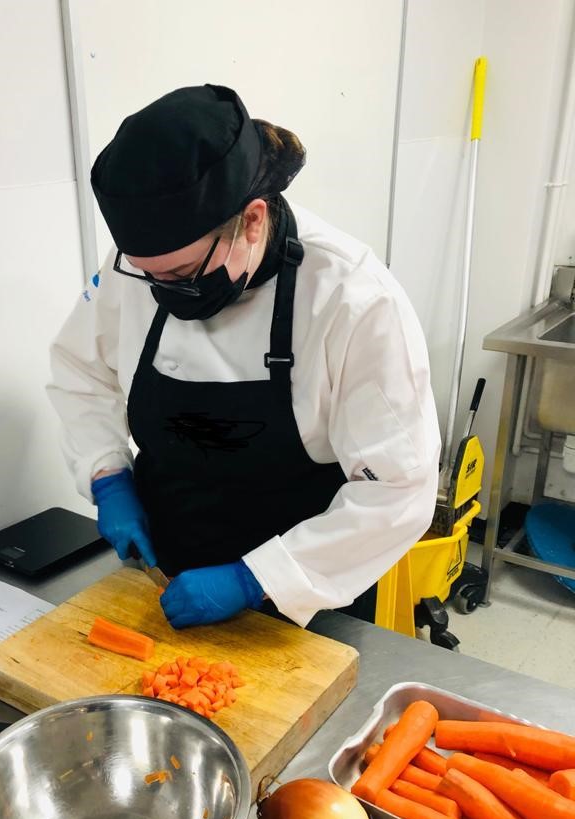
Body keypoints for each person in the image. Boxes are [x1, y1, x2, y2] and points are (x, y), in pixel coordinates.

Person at [47, 84, 440, 630]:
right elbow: (80, 370)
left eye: (182, 276)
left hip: (309, 587)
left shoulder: (351, 297)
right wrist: (108, 477)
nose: (161, 290)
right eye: (147, 275)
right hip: (164, 561)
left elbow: (400, 487)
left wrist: (257, 579)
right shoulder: (144, 263)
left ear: (253, 219)